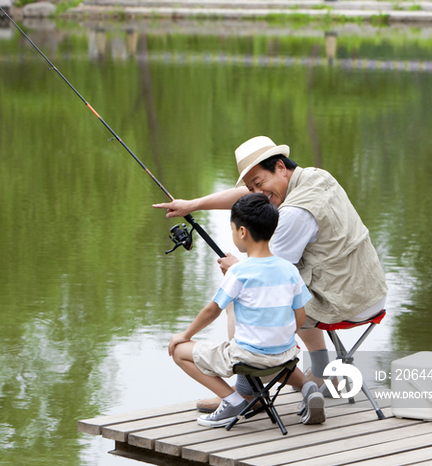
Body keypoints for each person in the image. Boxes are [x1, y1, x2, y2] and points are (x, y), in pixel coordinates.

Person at [156, 136, 389, 412]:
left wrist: (237, 270)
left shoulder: (294, 214)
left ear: (280, 167)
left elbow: (265, 278)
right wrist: (192, 205)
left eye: (259, 183)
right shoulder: (315, 177)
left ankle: (247, 393)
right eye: (252, 186)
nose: (258, 192)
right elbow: (252, 197)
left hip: (344, 301)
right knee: (288, 292)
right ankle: (319, 369)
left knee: (243, 297)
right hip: (371, 291)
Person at [168, 193, 326, 427]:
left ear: (242, 232)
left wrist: (184, 335)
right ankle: (308, 386)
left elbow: (212, 311)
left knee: (179, 351)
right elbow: (300, 317)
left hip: (248, 358)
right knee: (272, 355)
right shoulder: (289, 270)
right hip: (285, 356)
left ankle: (232, 401)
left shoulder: (239, 272)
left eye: (233, 230)